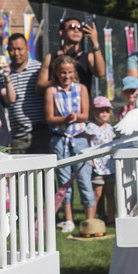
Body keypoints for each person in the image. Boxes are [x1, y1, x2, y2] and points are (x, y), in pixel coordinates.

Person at [45, 56, 92, 234]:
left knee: (84, 178)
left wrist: (75, 117)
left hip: (79, 137)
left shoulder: (82, 89)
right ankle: (68, 219)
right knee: (64, 180)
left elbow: (85, 114)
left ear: (74, 73)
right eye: (62, 72)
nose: (66, 75)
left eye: (70, 72)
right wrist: (65, 119)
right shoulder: (51, 91)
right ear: (56, 73)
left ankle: (89, 219)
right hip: (60, 138)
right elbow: (50, 118)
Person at [37, 17, 106, 96]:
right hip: (58, 105)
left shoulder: (88, 57)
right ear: (61, 32)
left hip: (83, 106)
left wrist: (95, 43)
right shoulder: (50, 57)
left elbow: (100, 73)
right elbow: (39, 88)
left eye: (80, 28)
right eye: (72, 27)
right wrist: (60, 80)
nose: (76, 30)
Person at [6, 33, 49, 155]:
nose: (16, 53)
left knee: (42, 172)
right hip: (17, 134)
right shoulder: (4, 74)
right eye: (12, 49)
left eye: (19, 49)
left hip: (39, 131)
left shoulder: (38, 69)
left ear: (28, 49)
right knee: (18, 173)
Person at [84, 96, 117, 223]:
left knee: (110, 193)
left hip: (110, 165)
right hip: (96, 166)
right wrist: (89, 160)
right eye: (100, 110)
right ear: (94, 112)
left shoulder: (110, 128)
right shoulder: (91, 127)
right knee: (97, 194)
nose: (104, 113)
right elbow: (86, 144)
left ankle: (110, 219)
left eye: (106, 110)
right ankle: (91, 220)